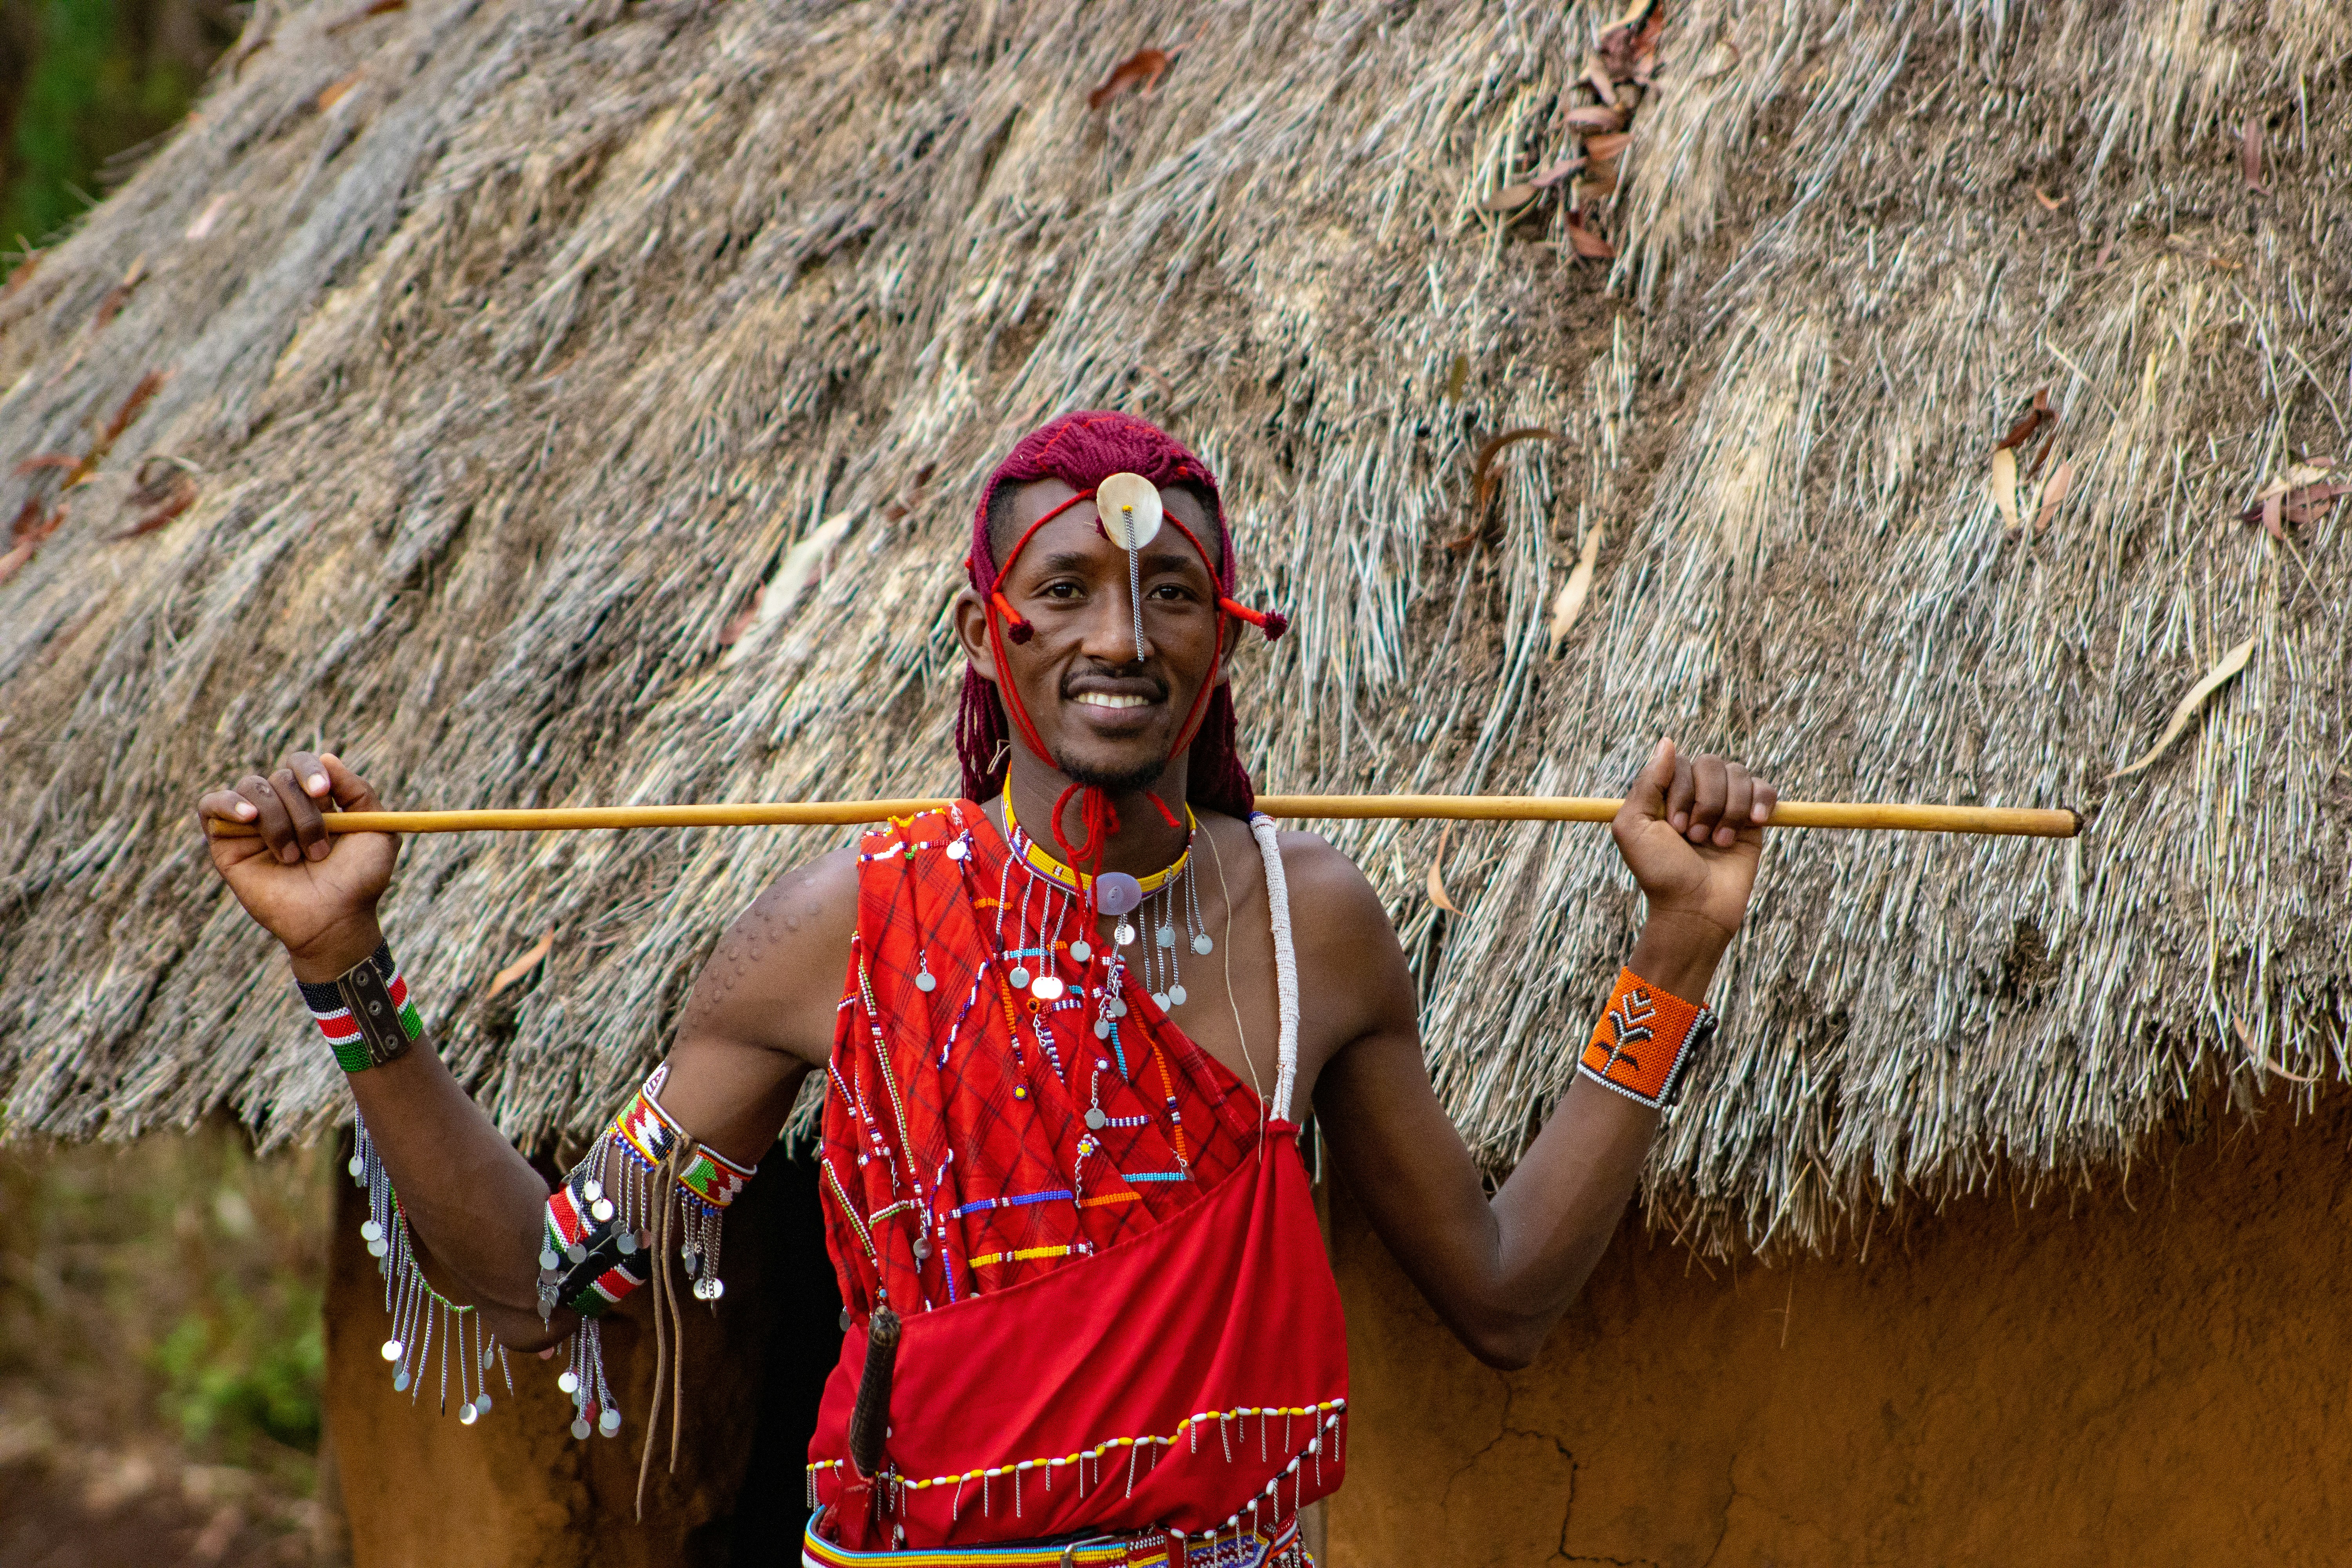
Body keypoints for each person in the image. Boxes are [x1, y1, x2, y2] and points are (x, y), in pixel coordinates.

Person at [197, 412, 1780, 1566]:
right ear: (984, 630)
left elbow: (1503, 1294)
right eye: (1068, 586)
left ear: (1224, 636)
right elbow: (551, 1286)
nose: (1121, 636)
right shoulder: (843, 931)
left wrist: (1675, 952)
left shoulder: (1313, 927)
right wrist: (344, 967)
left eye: (1170, 595)